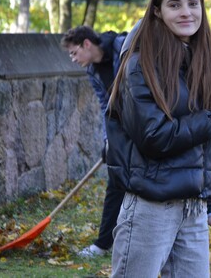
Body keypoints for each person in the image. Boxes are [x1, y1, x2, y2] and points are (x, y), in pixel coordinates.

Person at [105, 0, 211, 277]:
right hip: (149, 210)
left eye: (193, 4)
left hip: (192, 211)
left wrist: (209, 208)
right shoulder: (140, 66)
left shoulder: (198, 61)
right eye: (175, 4)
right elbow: (154, 139)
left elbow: (201, 146)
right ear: (157, 11)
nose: (186, 12)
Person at [61, 26, 127, 257]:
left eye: (74, 52)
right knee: (116, 181)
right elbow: (105, 106)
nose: (73, 58)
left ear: (87, 44)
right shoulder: (92, 71)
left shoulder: (123, 47)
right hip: (123, 129)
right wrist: (109, 140)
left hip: (148, 125)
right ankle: (103, 243)